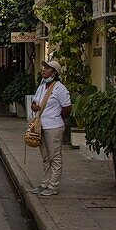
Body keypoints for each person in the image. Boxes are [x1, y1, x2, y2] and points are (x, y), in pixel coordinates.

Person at [30, 59, 72, 197]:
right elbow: (34, 102)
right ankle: (44, 183)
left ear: (54, 73)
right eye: (44, 68)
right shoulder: (42, 87)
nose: (44, 70)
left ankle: (53, 186)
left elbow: (66, 108)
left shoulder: (60, 88)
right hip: (41, 126)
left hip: (53, 127)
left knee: (55, 157)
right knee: (45, 157)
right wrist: (34, 107)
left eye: (47, 68)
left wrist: (55, 117)